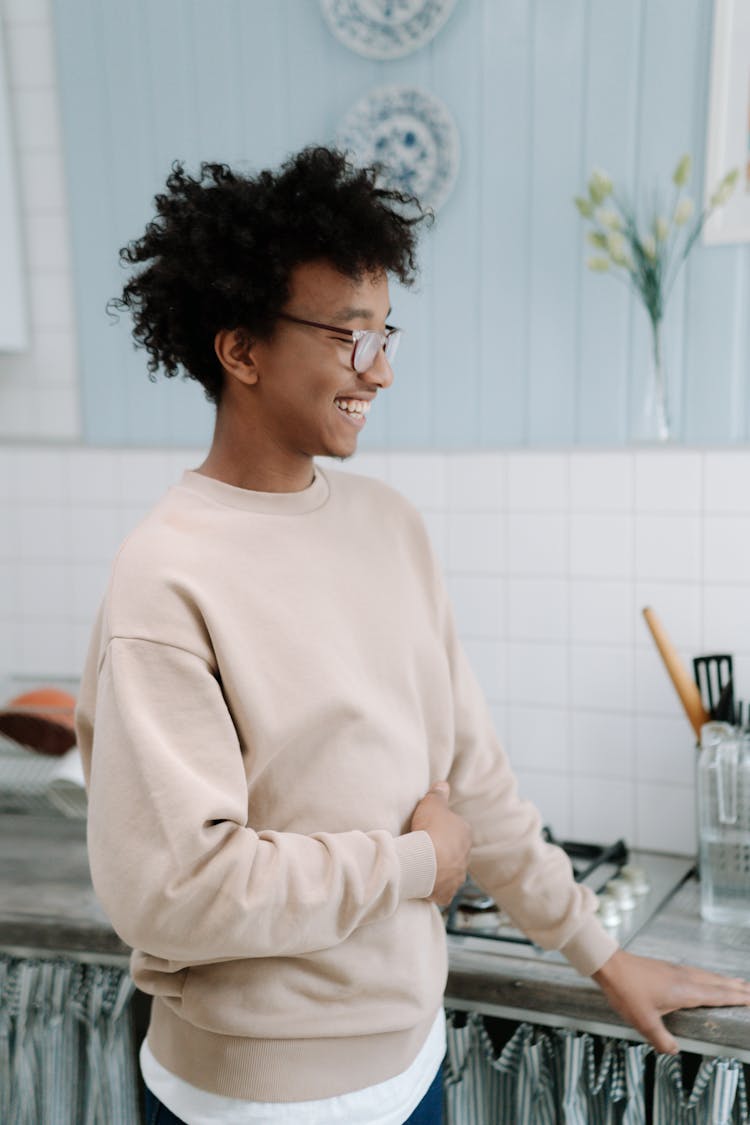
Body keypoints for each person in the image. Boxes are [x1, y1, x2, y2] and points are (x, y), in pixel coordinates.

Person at [75, 146, 750, 1125]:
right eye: (351, 337)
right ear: (242, 350)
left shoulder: (388, 525)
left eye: (388, 333)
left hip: (410, 1064)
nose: (382, 370)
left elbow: (472, 778)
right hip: (253, 1101)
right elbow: (173, 891)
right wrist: (412, 869)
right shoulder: (166, 576)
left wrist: (599, 956)